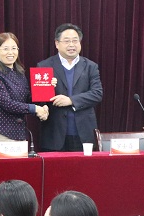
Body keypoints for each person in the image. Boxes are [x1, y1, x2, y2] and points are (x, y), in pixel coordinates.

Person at [37, 23, 103, 152]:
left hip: (83, 134)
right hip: (54, 133)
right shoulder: (44, 66)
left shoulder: (91, 66)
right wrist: (47, 90)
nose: (71, 45)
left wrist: (71, 100)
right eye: (67, 41)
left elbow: (97, 94)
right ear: (57, 43)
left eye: (75, 41)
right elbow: (39, 100)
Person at [0, 33, 49, 154]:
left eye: (14, 48)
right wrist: (36, 109)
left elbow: (28, 99)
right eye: (6, 49)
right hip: (3, 136)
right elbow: (8, 104)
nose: (11, 52)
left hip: (20, 136)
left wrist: (46, 91)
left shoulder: (19, 74)